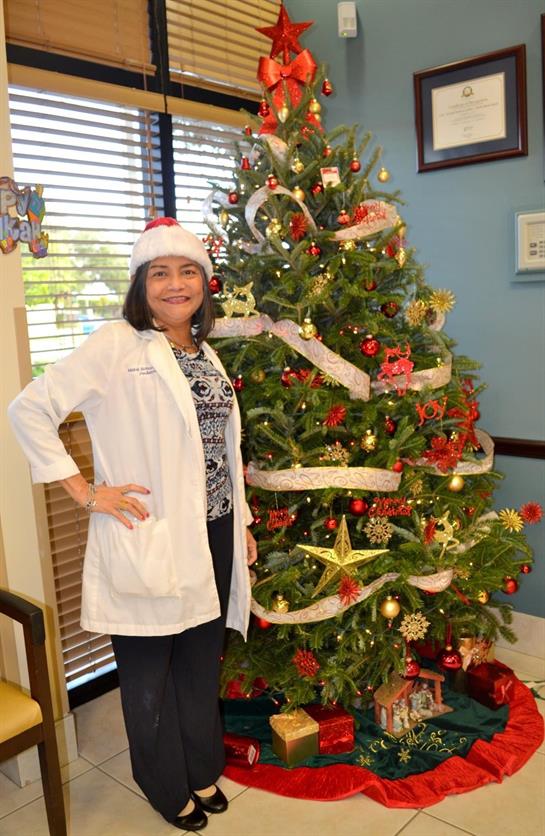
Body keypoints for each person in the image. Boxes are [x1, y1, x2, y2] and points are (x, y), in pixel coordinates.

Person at [8, 216, 257, 832]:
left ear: (205, 281)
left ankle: (201, 768)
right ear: (141, 285)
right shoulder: (118, 343)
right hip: (151, 531)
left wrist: (242, 525)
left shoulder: (204, 351)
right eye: (161, 273)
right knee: (150, 677)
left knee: (201, 665)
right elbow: (28, 409)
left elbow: (221, 451)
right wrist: (85, 492)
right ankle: (163, 784)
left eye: (188, 271)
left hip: (215, 532)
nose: (177, 284)